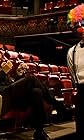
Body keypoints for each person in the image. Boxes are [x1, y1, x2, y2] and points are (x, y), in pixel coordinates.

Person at [0, 48, 67, 140]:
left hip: (11, 95)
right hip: (0, 96)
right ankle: (55, 103)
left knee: (36, 92)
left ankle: (39, 130)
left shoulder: (1, 69)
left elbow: (11, 85)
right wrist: (3, 72)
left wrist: (19, 74)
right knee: (31, 78)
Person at [67, 4, 84, 140]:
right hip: (81, 92)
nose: (81, 27)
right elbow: (73, 74)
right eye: (79, 24)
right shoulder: (71, 51)